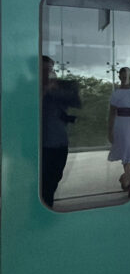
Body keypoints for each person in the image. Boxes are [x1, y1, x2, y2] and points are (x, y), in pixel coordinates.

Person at [41, 56, 81, 207]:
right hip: (39, 143)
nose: (48, 73)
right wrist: (43, 90)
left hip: (59, 141)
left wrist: (57, 88)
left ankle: (47, 206)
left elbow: (76, 102)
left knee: (55, 176)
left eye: (50, 69)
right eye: (44, 70)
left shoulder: (58, 89)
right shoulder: (27, 88)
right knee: (41, 181)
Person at [108, 67, 130, 197]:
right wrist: (110, 131)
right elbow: (111, 113)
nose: (126, 78)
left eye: (128, 76)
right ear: (120, 77)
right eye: (123, 76)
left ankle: (125, 176)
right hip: (122, 124)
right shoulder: (117, 93)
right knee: (128, 153)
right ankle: (128, 182)